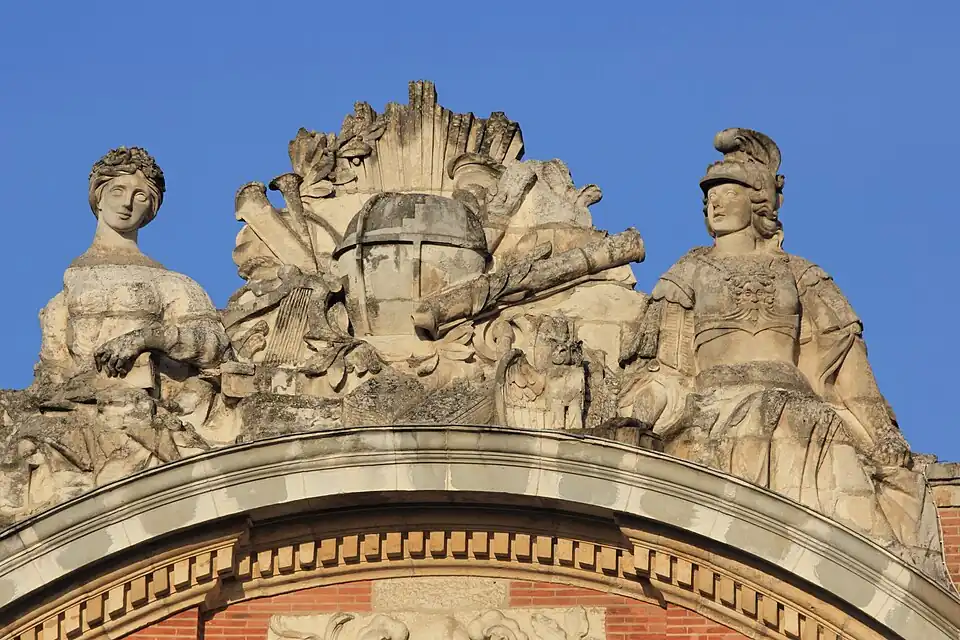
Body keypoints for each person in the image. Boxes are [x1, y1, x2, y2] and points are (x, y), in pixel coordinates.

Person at [619, 128, 946, 581]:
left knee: (834, 444)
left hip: (799, 411)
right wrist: (638, 413)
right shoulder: (686, 272)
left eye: (727, 192)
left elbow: (844, 365)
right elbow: (664, 367)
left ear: (757, 201)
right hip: (714, 408)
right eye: (710, 195)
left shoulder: (802, 275)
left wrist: (880, 434)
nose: (714, 203)